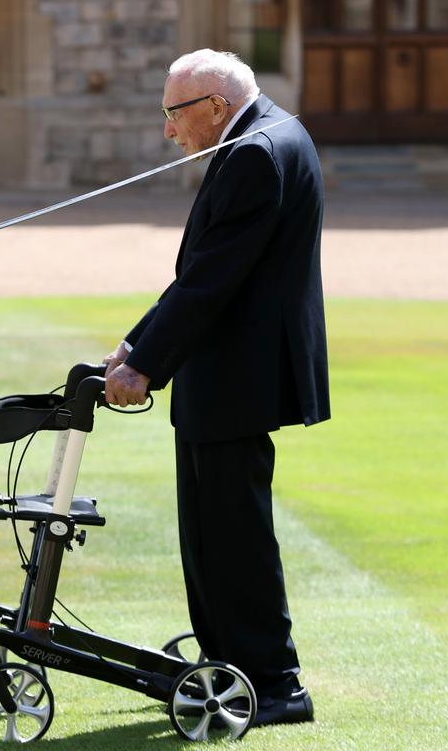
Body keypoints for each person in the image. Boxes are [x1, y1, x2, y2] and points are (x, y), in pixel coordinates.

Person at [103, 49, 328, 727]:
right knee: (210, 532)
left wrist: (144, 363)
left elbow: (213, 279)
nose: (168, 131)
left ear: (215, 109)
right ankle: (229, 659)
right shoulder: (266, 135)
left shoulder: (256, 152)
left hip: (237, 375)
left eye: (173, 114)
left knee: (232, 536)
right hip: (226, 372)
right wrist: (136, 343)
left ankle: (274, 683)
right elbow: (206, 270)